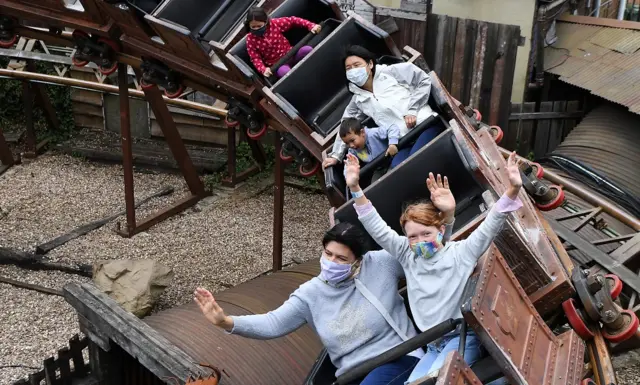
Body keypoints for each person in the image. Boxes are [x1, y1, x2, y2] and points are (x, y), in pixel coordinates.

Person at [196, 221, 458, 385]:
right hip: (352, 374)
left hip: (399, 357)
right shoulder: (310, 294)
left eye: (341, 259)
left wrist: (448, 218)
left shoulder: (381, 263)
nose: (331, 263)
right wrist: (225, 321)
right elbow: (273, 322)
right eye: (327, 254)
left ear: (358, 261)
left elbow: (427, 261)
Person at [343, 151, 523, 384]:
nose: (419, 242)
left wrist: (513, 189)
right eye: (413, 237)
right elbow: (376, 227)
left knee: (440, 381)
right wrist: (355, 188)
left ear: (440, 229)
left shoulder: (461, 252)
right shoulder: (408, 255)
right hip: (432, 344)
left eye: (425, 233)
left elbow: (492, 222)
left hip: (460, 337)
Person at [322, 45, 442, 171]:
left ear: (370, 64)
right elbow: (346, 125)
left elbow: (423, 80)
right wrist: (336, 156)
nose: (353, 70)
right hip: (402, 141)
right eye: (349, 68)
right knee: (396, 168)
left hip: (425, 125)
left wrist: (412, 110)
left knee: (415, 160)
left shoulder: (391, 72)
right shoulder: (358, 100)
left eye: (357, 65)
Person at [245, 7, 321, 78]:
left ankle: (314, 71)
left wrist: (310, 25)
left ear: (265, 22)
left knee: (307, 50)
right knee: (285, 73)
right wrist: (263, 69)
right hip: (278, 65)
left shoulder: (273, 24)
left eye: (259, 26)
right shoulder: (250, 39)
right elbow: (255, 58)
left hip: (291, 54)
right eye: (253, 27)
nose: (256, 29)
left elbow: (292, 20)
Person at [338, 117, 399, 186]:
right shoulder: (353, 150)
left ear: (362, 132)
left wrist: (392, 143)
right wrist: (348, 175)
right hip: (379, 169)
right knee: (375, 186)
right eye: (347, 143)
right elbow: (348, 163)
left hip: (392, 159)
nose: (351, 145)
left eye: (352, 140)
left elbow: (392, 127)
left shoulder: (373, 133)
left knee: (390, 178)